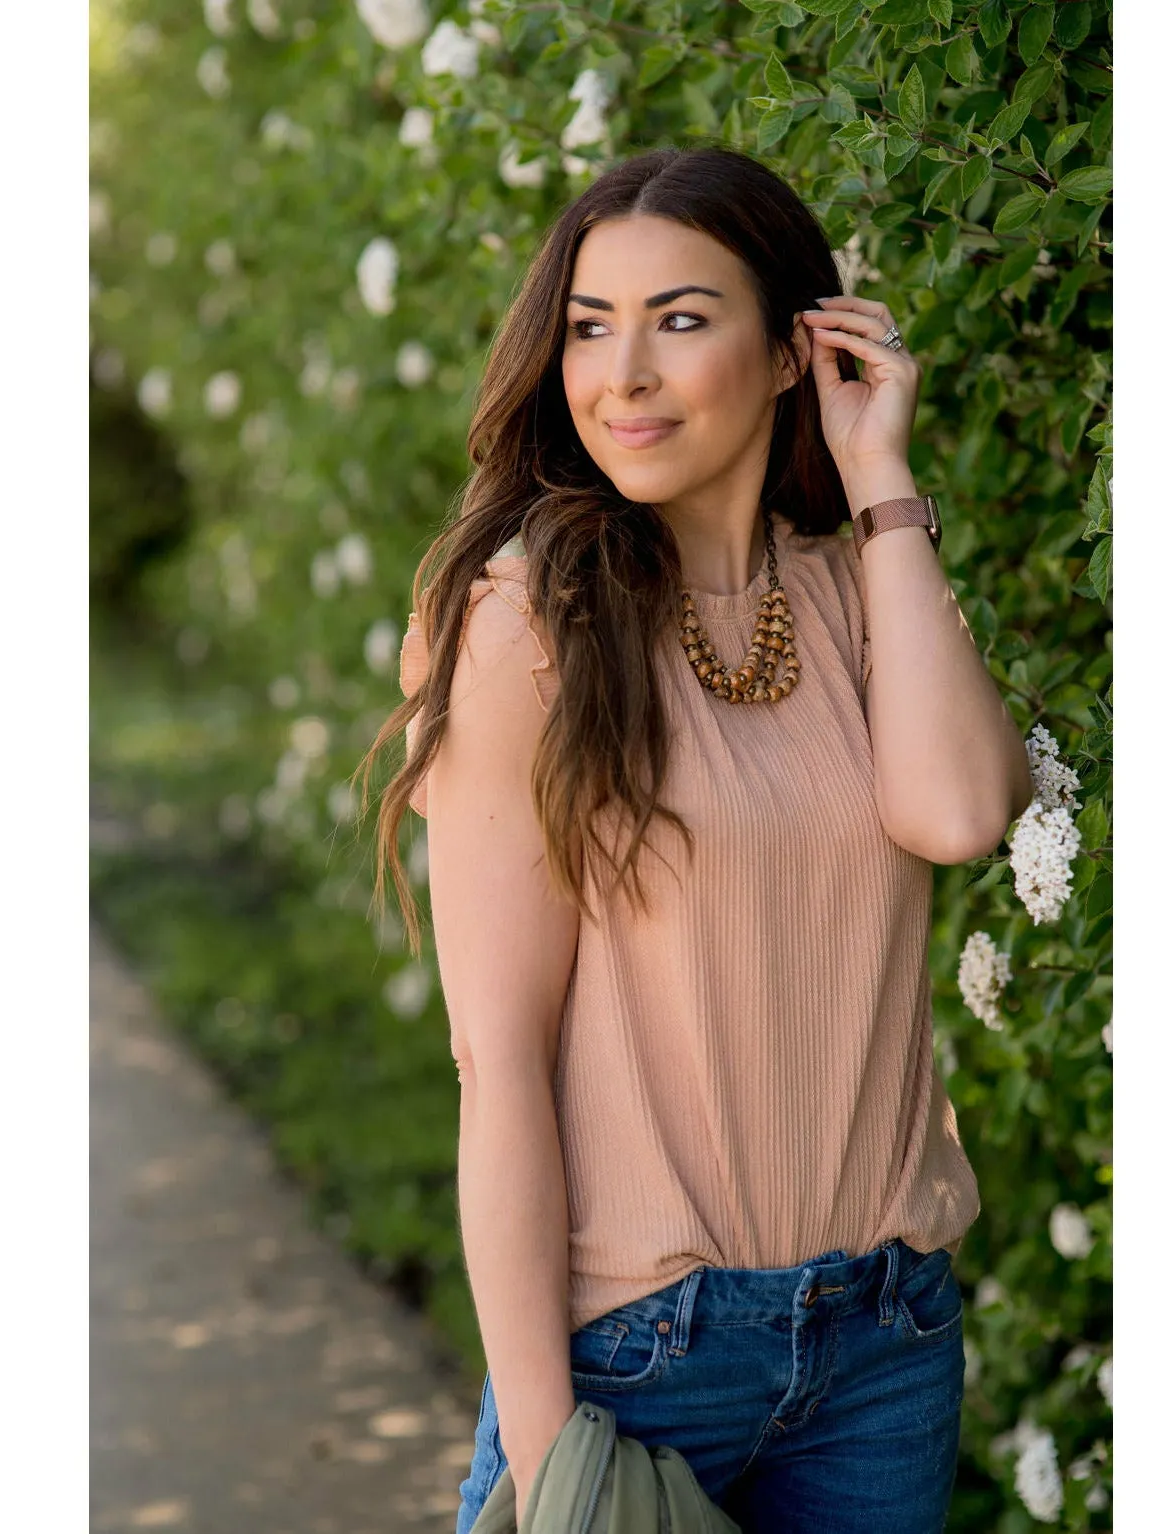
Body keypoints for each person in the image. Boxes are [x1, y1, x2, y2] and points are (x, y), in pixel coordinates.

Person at [364, 145, 1033, 1534]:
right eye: (590, 327)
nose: (622, 375)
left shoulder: (853, 590)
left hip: (881, 1343)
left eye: (679, 319)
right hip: (637, 1354)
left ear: (795, 348)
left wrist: (882, 484)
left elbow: (959, 811)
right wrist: (548, 1450)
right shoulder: (527, 625)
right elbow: (495, 1060)